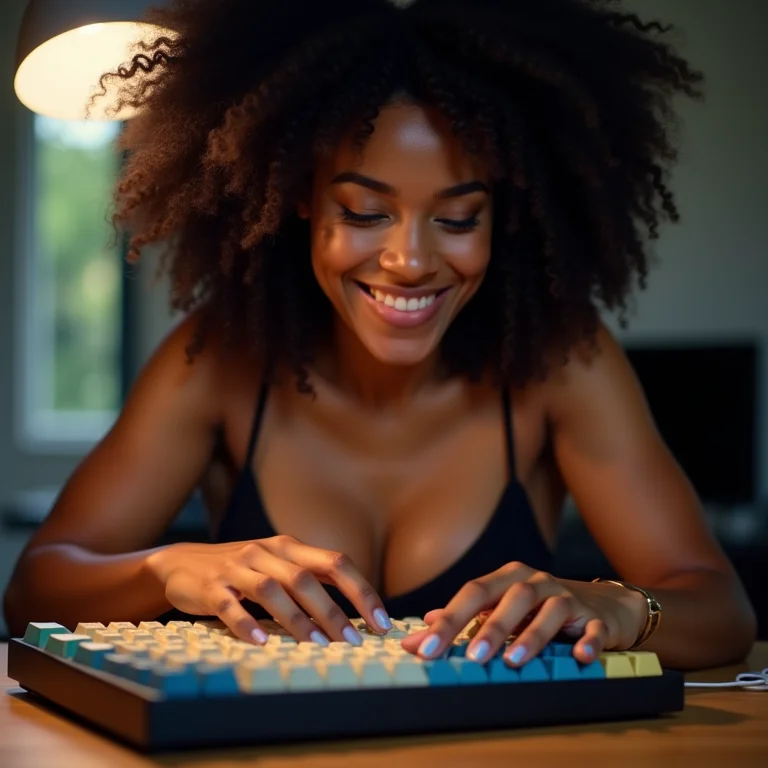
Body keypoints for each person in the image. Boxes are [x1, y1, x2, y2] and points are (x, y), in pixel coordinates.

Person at [3, 0, 756, 671]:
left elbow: (723, 613)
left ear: (506, 213)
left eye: (458, 219)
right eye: (365, 213)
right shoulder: (217, 360)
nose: (412, 262)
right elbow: (33, 589)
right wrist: (164, 568)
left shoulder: (560, 361)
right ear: (299, 197)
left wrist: (625, 607)